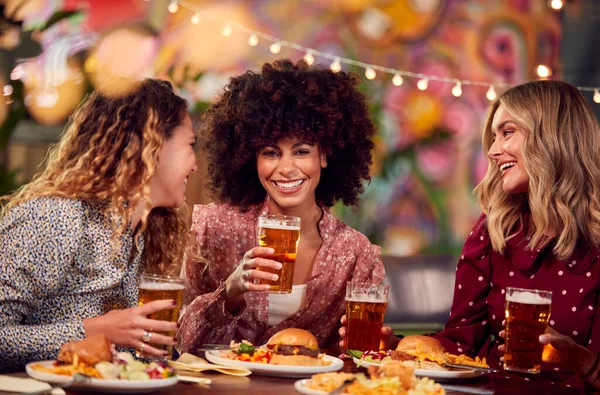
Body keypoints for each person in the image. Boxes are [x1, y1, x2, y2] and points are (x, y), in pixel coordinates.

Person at [339, 80, 600, 389]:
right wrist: (397, 347)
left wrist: (581, 361)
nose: (492, 151)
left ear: (552, 137)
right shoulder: (495, 228)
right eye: (493, 136)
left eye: (507, 132)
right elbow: (461, 341)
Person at [178, 59, 384, 355]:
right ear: (252, 158)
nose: (286, 168)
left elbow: (355, 359)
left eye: (301, 151)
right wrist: (231, 292)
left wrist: (377, 346)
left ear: (324, 155)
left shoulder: (355, 254)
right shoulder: (214, 228)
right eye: (271, 152)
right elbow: (182, 341)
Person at [0, 79, 198, 372]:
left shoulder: (139, 231)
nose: (195, 165)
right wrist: (93, 331)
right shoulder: (57, 218)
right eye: (190, 146)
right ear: (148, 146)